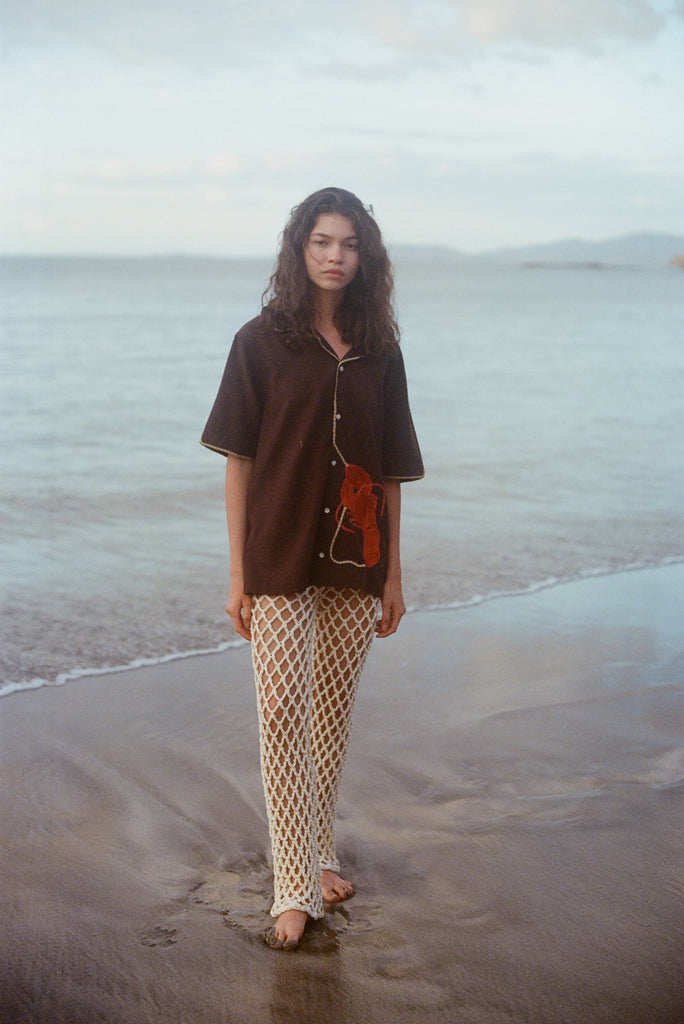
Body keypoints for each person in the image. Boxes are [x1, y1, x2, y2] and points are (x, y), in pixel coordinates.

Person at [201, 187, 423, 951]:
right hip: (278, 555)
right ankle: (292, 885)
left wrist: (393, 575)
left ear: (367, 256)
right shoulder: (258, 343)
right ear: (300, 249)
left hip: (358, 559)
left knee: (329, 718)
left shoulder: (381, 350)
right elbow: (239, 463)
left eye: (350, 244)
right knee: (282, 709)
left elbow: (390, 471)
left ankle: (318, 854)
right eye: (323, 241)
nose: (336, 255)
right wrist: (236, 575)